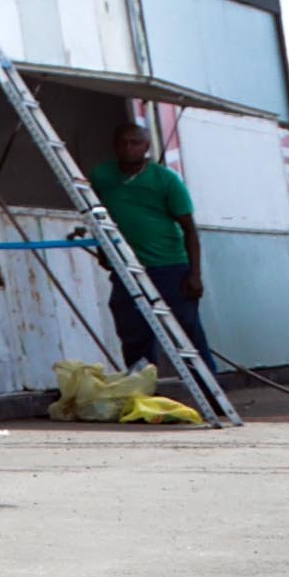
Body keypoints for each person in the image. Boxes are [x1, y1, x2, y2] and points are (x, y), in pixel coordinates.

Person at [88, 110, 208, 378]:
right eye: (123, 143)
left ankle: (209, 390)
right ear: (114, 146)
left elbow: (189, 229)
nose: (128, 148)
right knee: (132, 332)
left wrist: (195, 274)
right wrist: (102, 251)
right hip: (127, 268)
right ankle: (142, 391)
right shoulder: (101, 176)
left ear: (146, 147)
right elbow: (96, 218)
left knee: (187, 329)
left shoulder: (166, 179)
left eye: (134, 143)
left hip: (170, 267)